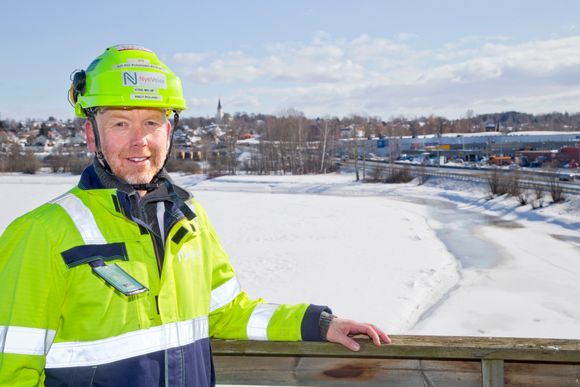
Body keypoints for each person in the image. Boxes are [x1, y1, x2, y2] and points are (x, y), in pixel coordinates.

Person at [0, 44, 390, 387]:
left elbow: (225, 312)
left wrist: (319, 324)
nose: (140, 140)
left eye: (152, 122)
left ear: (169, 131)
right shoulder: (41, 234)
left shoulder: (189, 218)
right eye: (120, 123)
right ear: (91, 135)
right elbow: (10, 370)